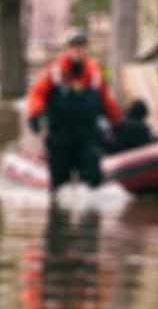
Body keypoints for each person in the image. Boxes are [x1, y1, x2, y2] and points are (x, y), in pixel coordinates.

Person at [26, 30, 122, 193]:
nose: (78, 49)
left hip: (87, 137)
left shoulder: (93, 74)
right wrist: (34, 114)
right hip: (61, 137)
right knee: (59, 185)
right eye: (74, 46)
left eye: (81, 46)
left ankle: (91, 205)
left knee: (93, 178)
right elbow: (37, 94)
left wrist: (118, 123)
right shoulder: (54, 72)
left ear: (86, 49)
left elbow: (107, 101)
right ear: (67, 49)